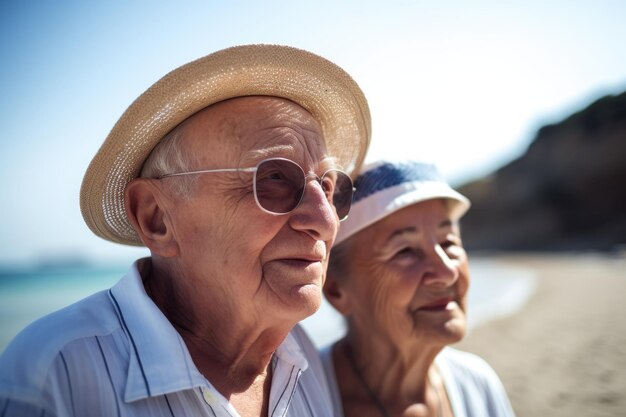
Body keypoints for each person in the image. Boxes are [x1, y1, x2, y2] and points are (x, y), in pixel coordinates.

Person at [0, 44, 371, 417]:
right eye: (274, 179)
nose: (324, 221)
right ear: (157, 219)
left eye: (327, 186)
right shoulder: (52, 379)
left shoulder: (302, 358)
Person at [322, 160, 516, 417]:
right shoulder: (299, 400)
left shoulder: (478, 386)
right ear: (336, 290)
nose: (447, 273)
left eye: (448, 243)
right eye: (405, 251)